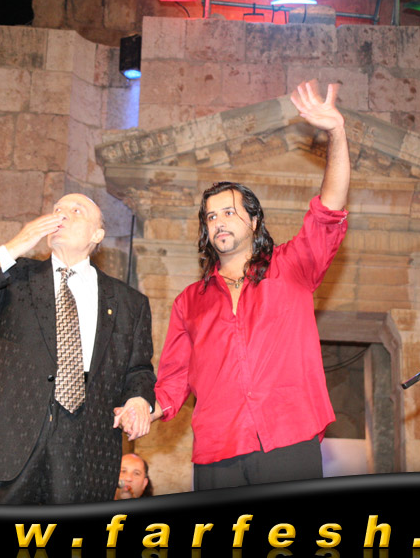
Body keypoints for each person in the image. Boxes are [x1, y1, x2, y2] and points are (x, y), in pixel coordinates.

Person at [150, 80, 351, 490]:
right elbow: (174, 377)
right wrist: (146, 408)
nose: (219, 222)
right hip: (217, 449)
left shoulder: (293, 266)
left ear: (254, 221)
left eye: (229, 212)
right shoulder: (189, 302)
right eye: (211, 217)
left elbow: (329, 208)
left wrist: (336, 132)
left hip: (288, 437)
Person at [0, 193, 156, 504]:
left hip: (86, 449)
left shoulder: (129, 302)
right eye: (57, 209)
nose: (62, 214)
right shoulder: (14, 277)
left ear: (97, 235)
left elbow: (139, 369)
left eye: (76, 210)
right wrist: (15, 246)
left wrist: (138, 398)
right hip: (7, 439)